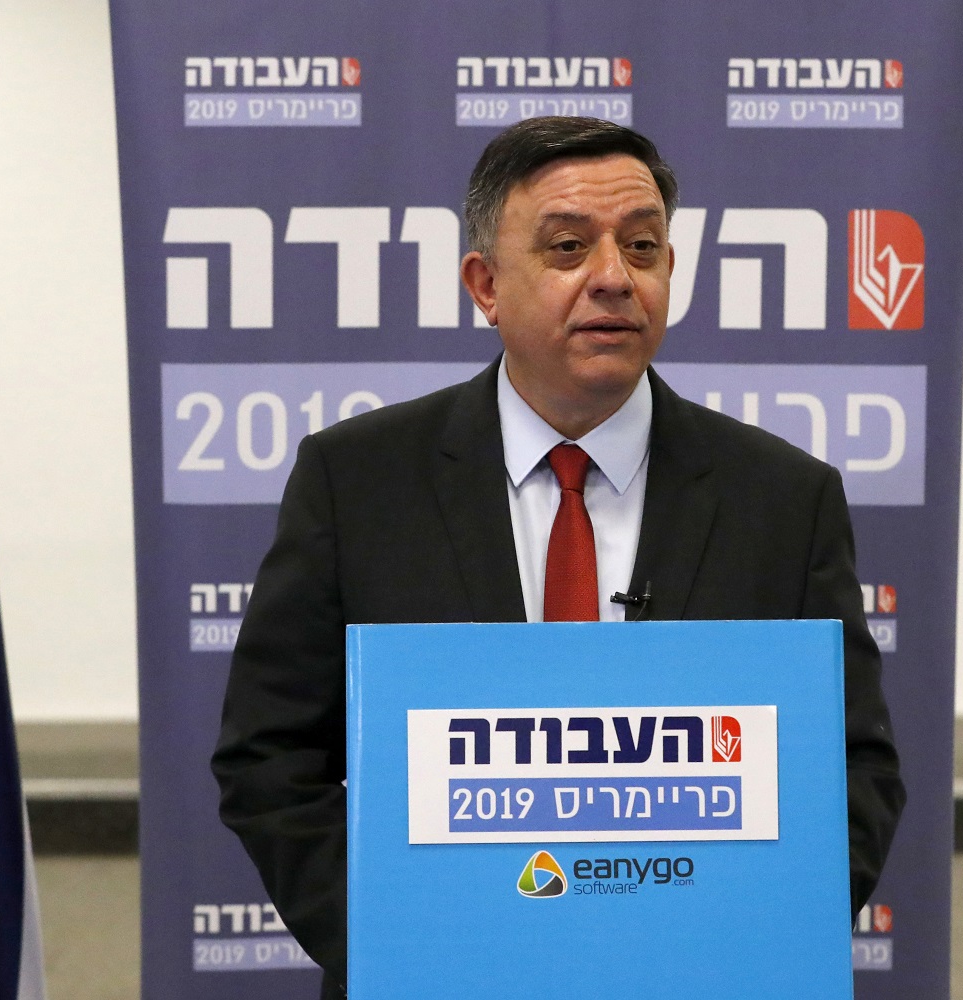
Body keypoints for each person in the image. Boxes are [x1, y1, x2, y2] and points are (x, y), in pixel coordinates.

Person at [212, 116, 903, 996]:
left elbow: (854, 769)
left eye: (643, 247)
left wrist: (738, 934)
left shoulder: (785, 497)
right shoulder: (356, 481)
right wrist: (407, 935)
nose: (614, 278)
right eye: (570, 247)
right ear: (486, 284)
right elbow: (270, 757)